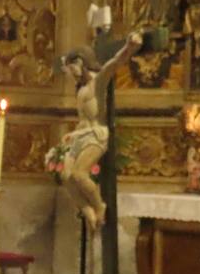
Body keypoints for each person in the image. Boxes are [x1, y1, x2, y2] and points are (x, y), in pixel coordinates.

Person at [57, 30, 143, 230]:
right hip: (82, 135)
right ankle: (88, 211)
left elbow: (114, 63)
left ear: (82, 62)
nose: (72, 73)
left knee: (79, 175)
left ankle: (99, 205)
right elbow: (82, 120)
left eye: (73, 67)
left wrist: (130, 47)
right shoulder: (80, 90)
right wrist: (73, 134)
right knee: (66, 177)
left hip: (97, 135)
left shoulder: (97, 82)